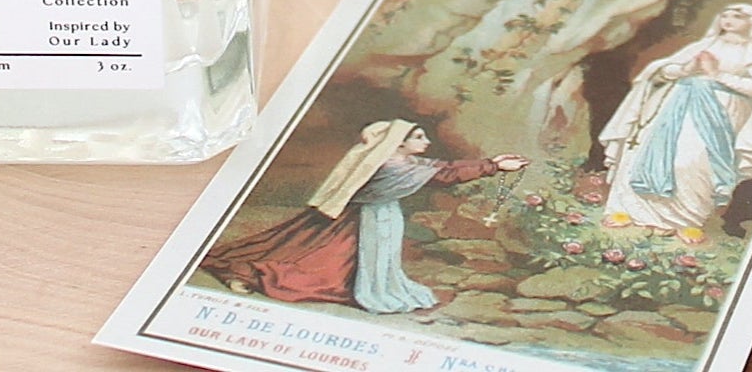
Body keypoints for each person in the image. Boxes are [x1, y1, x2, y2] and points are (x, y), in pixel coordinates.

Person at [204, 118, 527, 314]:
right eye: (419, 137)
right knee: (323, 266)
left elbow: (442, 168)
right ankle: (251, 276)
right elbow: (444, 175)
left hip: (373, 215)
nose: (426, 142)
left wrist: (493, 163)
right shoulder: (391, 166)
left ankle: (251, 272)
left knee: (306, 253)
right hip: (363, 221)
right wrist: (493, 167)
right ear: (398, 143)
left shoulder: (403, 163)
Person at [600, 3, 752, 240]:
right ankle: (630, 211)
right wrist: (686, 68)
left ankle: (685, 221)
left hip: (721, 112)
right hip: (676, 105)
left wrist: (716, 74)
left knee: (694, 163)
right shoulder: (703, 45)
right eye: (725, 14)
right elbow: (663, 72)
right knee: (647, 153)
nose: (728, 20)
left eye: (737, 16)